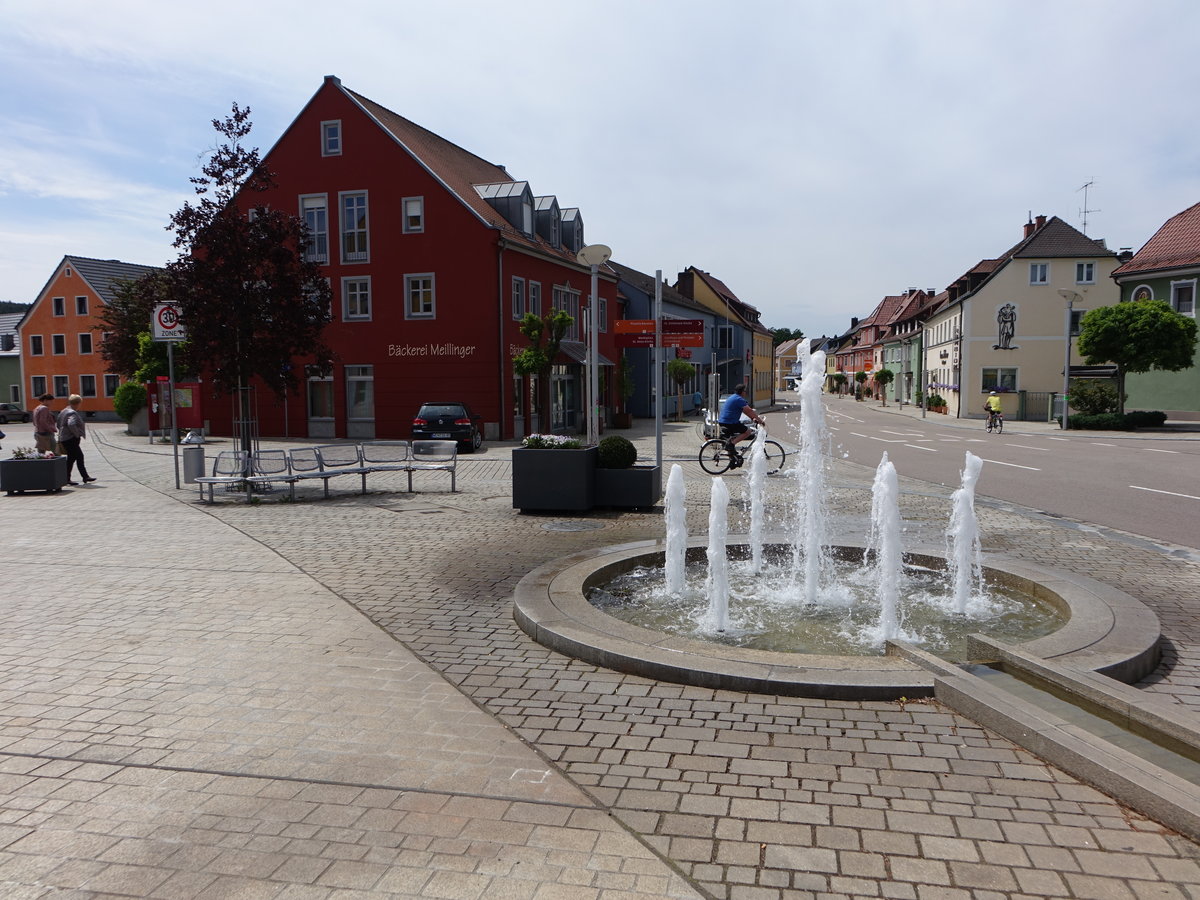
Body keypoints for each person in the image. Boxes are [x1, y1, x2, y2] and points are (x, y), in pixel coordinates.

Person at [57, 394, 96, 485]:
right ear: (77, 403)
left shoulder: (63, 411)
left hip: (65, 438)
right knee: (79, 456)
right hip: (71, 439)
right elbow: (71, 424)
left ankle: (67, 478)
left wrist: (62, 431)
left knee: (71, 459)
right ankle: (84, 476)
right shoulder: (72, 413)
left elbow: (58, 423)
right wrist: (77, 434)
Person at [718, 383, 765, 452]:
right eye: (745, 391)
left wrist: (752, 418)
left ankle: (732, 458)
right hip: (730, 422)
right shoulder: (739, 399)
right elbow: (749, 411)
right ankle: (731, 444)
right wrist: (760, 421)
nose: (745, 393)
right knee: (747, 432)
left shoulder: (732, 397)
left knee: (732, 441)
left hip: (723, 421)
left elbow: (746, 412)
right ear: (742, 392)